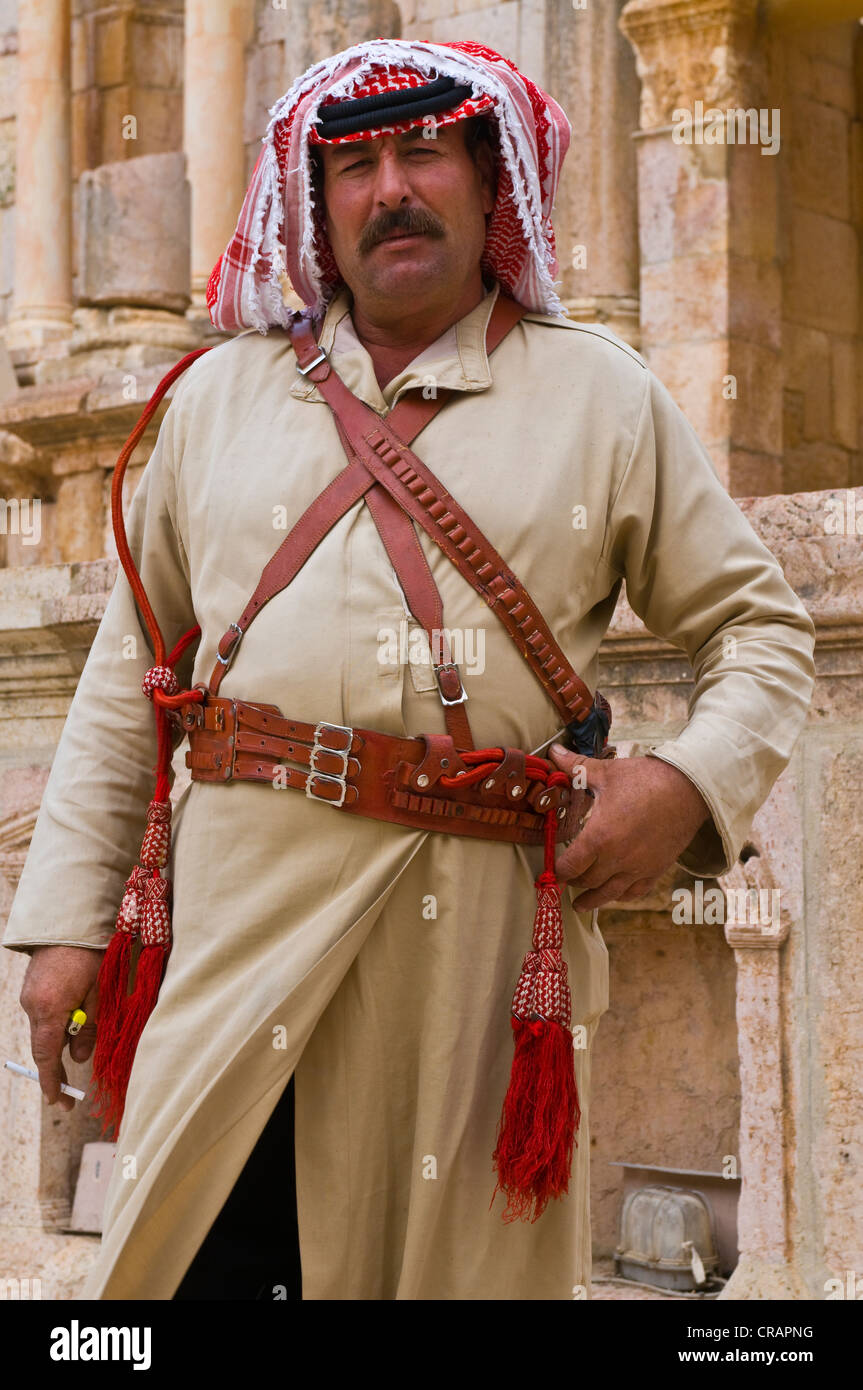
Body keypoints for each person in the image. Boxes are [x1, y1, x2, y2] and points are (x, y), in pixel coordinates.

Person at [4, 38, 815, 1301]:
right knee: (185, 1279)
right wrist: (63, 926)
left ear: (489, 188)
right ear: (314, 208)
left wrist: (684, 784)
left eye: (423, 153)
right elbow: (129, 678)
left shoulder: (604, 400)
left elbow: (760, 630)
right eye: (356, 164)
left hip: (470, 955)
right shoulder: (213, 399)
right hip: (230, 941)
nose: (390, 187)